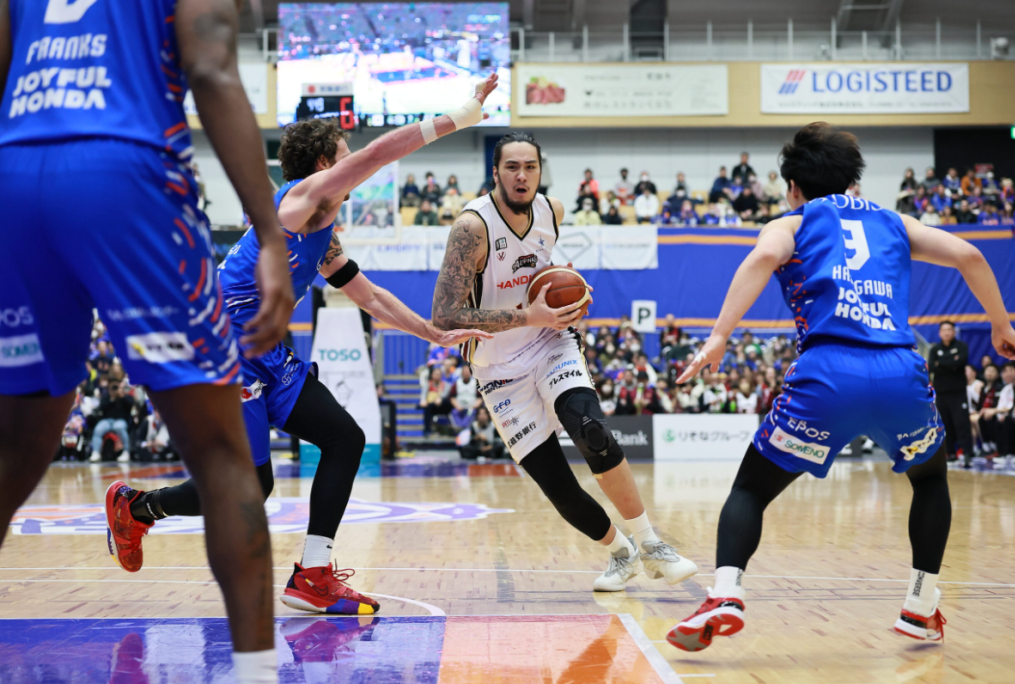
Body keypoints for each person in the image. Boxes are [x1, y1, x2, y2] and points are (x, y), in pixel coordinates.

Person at [106, 77, 497, 622]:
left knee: (344, 438)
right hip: (224, 347)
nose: (353, 162)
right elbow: (380, 154)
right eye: (343, 154)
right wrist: (462, 115)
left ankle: (313, 574)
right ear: (323, 164)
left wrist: (431, 333)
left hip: (263, 352)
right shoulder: (301, 199)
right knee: (250, 487)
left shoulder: (320, 230)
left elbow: (369, 296)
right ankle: (137, 507)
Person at [0, 1, 298, 679]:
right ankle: (256, 673)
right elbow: (211, 66)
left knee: (13, 449)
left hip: (13, 172)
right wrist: (269, 234)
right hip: (128, 172)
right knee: (225, 457)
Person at [666, 122, 1015, 653]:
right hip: (900, 373)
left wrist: (719, 336)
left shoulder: (793, 221)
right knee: (930, 480)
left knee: (751, 491)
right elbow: (970, 255)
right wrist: (1000, 324)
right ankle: (920, 605)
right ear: (854, 179)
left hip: (827, 375)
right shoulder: (894, 221)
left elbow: (762, 259)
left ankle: (726, 593)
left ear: (793, 186)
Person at [432, 131, 698, 593]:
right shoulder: (471, 228)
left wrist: (570, 295)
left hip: (549, 341)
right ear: (495, 173)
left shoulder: (551, 211)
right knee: (557, 486)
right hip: (497, 368)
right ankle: (622, 553)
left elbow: (543, 276)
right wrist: (526, 315)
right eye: (512, 167)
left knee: (591, 430)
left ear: (540, 171)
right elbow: (444, 316)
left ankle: (652, 545)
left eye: (530, 167)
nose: (521, 176)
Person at [929, 322, 975, 466]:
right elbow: (932, 366)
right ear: (939, 333)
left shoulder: (961, 346)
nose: (947, 332)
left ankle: (967, 453)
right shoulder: (935, 349)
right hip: (941, 393)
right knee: (945, 424)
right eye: (944, 330)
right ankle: (950, 452)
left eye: (949, 329)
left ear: (954, 332)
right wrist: (951, 362)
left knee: (961, 423)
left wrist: (941, 363)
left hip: (958, 392)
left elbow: (960, 362)